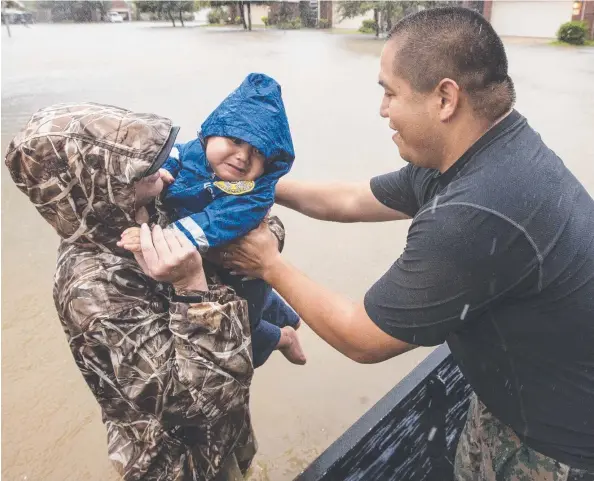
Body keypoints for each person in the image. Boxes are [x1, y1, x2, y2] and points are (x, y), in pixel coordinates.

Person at [220, 7, 594, 481]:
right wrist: (260, 188)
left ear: (444, 98)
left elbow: (363, 337)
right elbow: (354, 197)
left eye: (389, 92)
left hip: (560, 446)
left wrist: (268, 265)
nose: (383, 110)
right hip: (518, 392)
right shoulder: (484, 149)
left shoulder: (475, 212)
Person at [4, 102, 260, 481]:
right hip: (178, 464)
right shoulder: (92, 292)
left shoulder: (147, 207)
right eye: (143, 170)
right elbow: (195, 404)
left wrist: (249, 230)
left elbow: (256, 234)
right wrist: (192, 287)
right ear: (101, 186)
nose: (164, 172)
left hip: (226, 433)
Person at [119, 73, 305, 367]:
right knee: (267, 299)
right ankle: (288, 318)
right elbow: (175, 154)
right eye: (234, 140)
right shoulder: (194, 150)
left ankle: (283, 338)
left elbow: (212, 222)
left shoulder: (253, 194)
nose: (242, 157)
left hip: (243, 276)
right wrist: (163, 171)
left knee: (244, 331)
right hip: (230, 265)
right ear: (212, 131)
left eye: (257, 153)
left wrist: (160, 241)